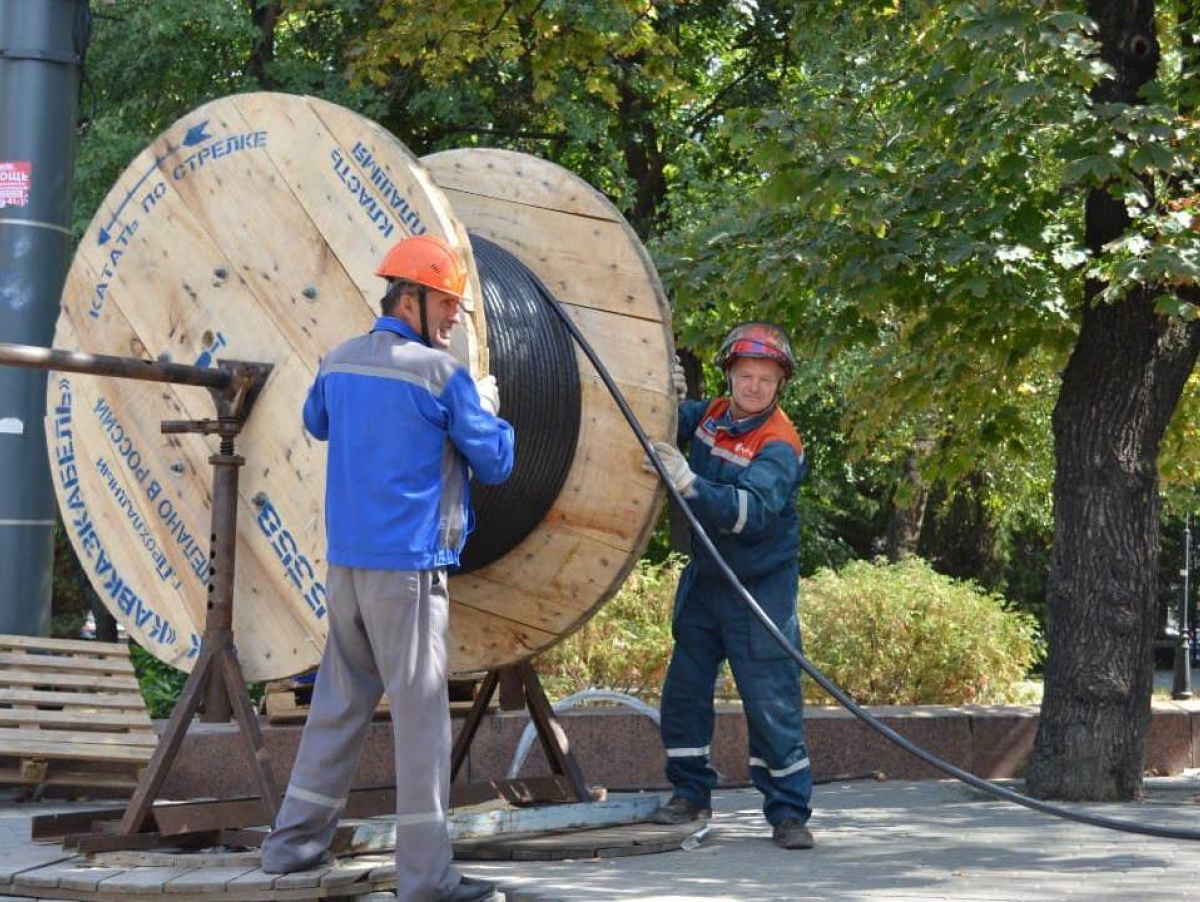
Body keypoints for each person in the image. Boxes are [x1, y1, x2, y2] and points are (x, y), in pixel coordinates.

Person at [261, 235, 515, 902]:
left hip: (346, 569)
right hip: (407, 572)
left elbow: (316, 421)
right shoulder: (441, 376)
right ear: (411, 298)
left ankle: (291, 847)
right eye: (448, 304)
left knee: (338, 708)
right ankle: (427, 881)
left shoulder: (339, 362)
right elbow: (495, 464)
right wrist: (486, 409)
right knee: (423, 724)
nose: (455, 318)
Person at [645, 322, 814, 850]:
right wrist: (659, 394)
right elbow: (658, 426)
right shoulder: (712, 415)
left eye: (766, 378)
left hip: (759, 588)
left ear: (779, 383)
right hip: (708, 580)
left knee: (771, 700)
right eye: (746, 376)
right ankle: (689, 795)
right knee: (684, 692)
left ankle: (788, 814)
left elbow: (750, 513)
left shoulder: (780, 444)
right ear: (730, 376)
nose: (755, 387)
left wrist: (690, 483)